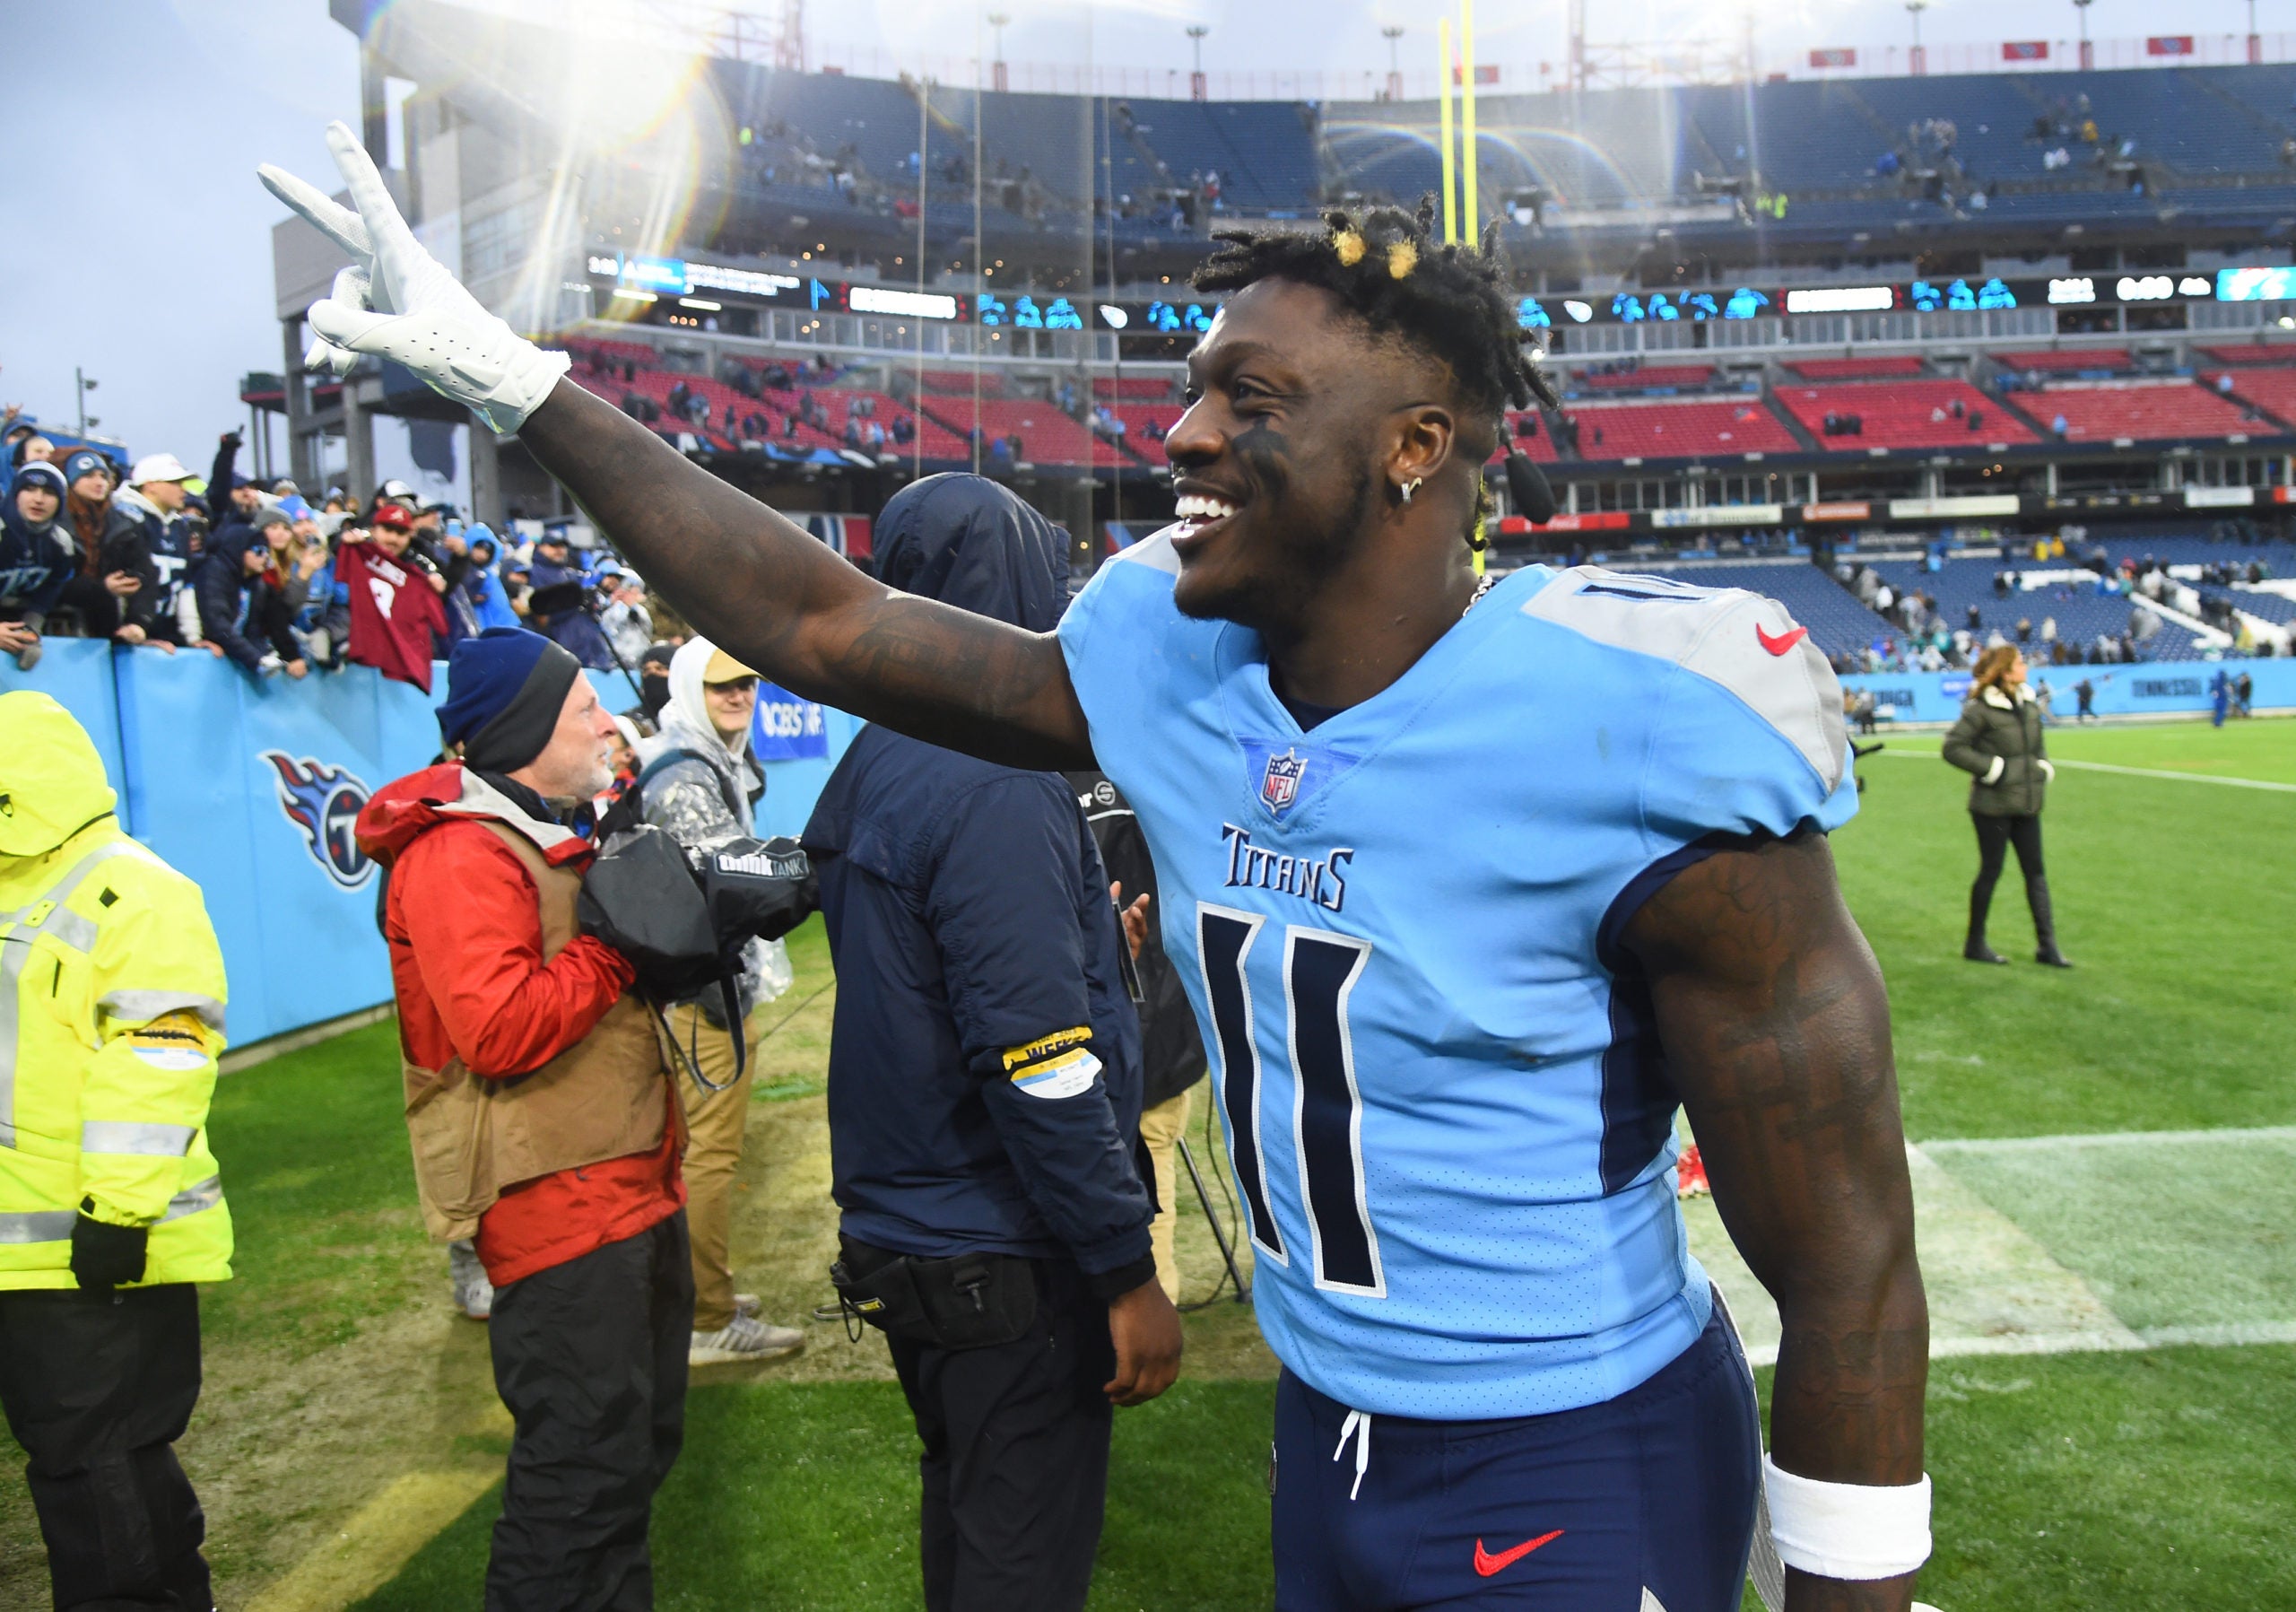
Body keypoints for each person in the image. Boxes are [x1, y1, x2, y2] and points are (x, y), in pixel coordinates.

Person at [269, 143, 1934, 1611]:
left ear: (1419, 444)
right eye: (1197, 384)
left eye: (1251, 402)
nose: (1184, 433)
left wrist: (1852, 1581)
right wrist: (515, 382)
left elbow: (1846, 1241)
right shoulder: (1164, 653)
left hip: (1573, 1440)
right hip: (1328, 1421)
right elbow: (824, 623)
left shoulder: (1631, 721)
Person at [803, 475, 1179, 1612]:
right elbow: (1039, 1060)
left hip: (909, 1231)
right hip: (1002, 1248)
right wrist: (1122, 1268)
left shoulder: (876, 753)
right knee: (1017, 1564)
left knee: (966, 1530)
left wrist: (1068, 934)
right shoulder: (996, 779)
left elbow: (945, 970)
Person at [355, 628, 691, 1610]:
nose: (605, 721)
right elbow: (499, 1029)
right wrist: (623, 947)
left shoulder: (528, 829)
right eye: (583, 705)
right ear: (524, 729)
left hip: (619, 1185)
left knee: (622, 1470)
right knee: (577, 1485)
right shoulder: (461, 850)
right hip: (559, 1207)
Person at [0, 692, 234, 1612]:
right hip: (32, 1250)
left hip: (94, 1245)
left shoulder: (134, 887)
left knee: (96, 1470)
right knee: (87, 1467)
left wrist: (116, 1212)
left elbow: (161, 1057)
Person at [633, 637, 803, 1365]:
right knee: (707, 1158)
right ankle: (706, 1318)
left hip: (702, 987)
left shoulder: (710, 761)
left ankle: (700, 1293)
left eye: (748, 684)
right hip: (702, 995)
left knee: (694, 1154)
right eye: (722, 686)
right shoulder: (684, 775)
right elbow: (736, 883)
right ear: (689, 689)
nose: (740, 696)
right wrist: (817, 866)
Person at [1065, 762, 1205, 1304]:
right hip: (1139, 1014)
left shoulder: (1028, 772)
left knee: (1136, 1164)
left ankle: (1146, 1309)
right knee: (1140, 1166)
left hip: (1125, 1014)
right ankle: (1146, 1306)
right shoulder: (1159, 757)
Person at [1943, 647, 2069, 969]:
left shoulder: (2027, 702)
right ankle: (1975, 943)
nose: (2026, 666)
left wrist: (2042, 767)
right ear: (2005, 671)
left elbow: (2037, 743)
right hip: (1992, 807)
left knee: (2036, 873)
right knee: (1991, 871)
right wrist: (1994, 770)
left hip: (2027, 804)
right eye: (2020, 662)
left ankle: (2048, 947)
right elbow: (1953, 748)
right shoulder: (1980, 709)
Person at [340, 504, 448, 691]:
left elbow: (441, 626)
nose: (393, 539)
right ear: (374, 530)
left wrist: (439, 586)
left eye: (400, 533)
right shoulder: (356, 550)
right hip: (356, 660)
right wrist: (342, 541)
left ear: (410, 536)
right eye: (388, 530)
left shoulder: (419, 572)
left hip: (398, 671)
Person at [192, 512, 312, 679]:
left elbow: (257, 627)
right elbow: (218, 624)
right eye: (258, 551)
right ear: (241, 550)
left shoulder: (256, 583)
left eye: (266, 552)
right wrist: (256, 660)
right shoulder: (214, 573)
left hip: (234, 652)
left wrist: (264, 656)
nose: (264, 557)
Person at [0, 461, 76, 668]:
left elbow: (51, 588)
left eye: (49, 492)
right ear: (15, 493)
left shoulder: (60, 543)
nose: (38, 499)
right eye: (29, 489)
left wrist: (32, 627)